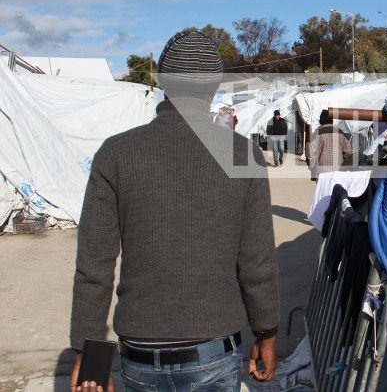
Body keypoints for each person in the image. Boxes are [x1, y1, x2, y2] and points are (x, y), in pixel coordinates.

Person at [69, 29, 279, 391]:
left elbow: (95, 266)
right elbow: (256, 260)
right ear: (215, 87)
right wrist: (267, 334)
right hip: (213, 348)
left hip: (139, 352)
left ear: (163, 82)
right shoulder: (242, 153)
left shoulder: (116, 153)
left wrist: (87, 355)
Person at [307, 109, 353, 179]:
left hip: (321, 172)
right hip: (338, 171)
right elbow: (349, 152)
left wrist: (312, 169)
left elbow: (311, 154)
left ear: (320, 121)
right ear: (332, 121)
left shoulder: (315, 135)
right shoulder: (341, 133)